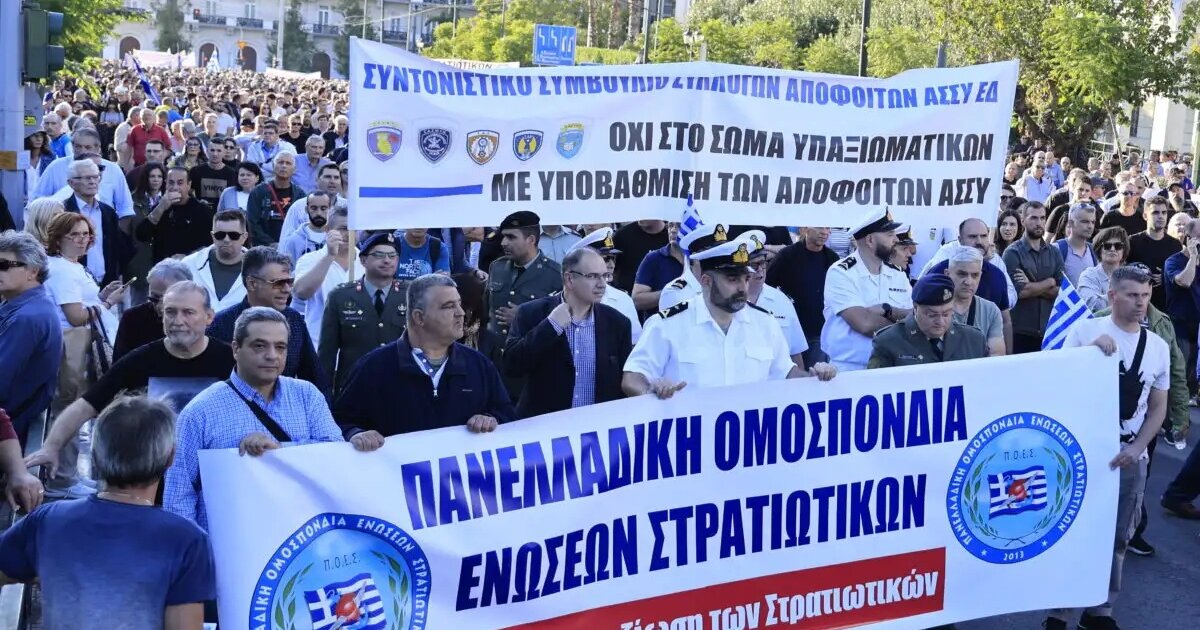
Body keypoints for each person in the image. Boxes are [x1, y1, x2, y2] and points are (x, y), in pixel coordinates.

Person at [0, 397, 215, 629]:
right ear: (170, 457)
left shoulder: (47, 520)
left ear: (95, 453)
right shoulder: (187, 540)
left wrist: (54, 572)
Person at [1044, 266, 1169, 630]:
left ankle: (1100, 611)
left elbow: (1157, 407)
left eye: (1145, 296)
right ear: (1113, 296)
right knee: (1073, 533)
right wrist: (1087, 354)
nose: (1140, 303)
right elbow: (1055, 382)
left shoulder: (1158, 347)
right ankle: (1059, 612)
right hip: (1082, 452)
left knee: (1118, 536)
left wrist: (1138, 448)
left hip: (1129, 455)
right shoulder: (1085, 331)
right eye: (1132, 295)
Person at [26, 281, 234, 476]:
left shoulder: (230, 361)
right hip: (155, 472)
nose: (178, 321)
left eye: (188, 312)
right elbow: (86, 405)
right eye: (170, 312)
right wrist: (51, 447)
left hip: (214, 468)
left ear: (209, 316)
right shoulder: (142, 359)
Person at [165, 307, 343, 529]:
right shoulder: (200, 412)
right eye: (260, 346)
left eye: (280, 347)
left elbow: (335, 456)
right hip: (230, 541)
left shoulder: (307, 396)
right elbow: (178, 494)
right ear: (235, 349)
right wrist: (197, 546)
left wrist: (280, 450)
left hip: (300, 537)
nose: (272, 355)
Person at [622, 234, 836, 398]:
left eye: (745, 279)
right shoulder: (668, 324)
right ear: (706, 281)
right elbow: (632, 377)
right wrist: (651, 390)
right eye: (732, 279)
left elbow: (786, 373)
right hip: (689, 437)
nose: (742, 287)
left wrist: (815, 377)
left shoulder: (765, 323)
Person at [334, 274, 516, 449]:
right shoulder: (373, 367)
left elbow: (507, 415)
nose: (461, 313)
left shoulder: (479, 365)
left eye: (459, 304)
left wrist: (492, 419)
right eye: (449, 306)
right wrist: (356, 434)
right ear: (419, 317)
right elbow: (340, 422)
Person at [504, 248, 633, 418]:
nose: (602, 284)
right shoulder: (531, 313)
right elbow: (511, 366)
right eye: (593, 276)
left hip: (596, 428)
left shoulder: (618, 323)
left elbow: (625, 381)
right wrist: (550, 326)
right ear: (569, 279)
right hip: (545, 427)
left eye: (605, 276)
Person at [207, 247, 325, 388]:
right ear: (252, 283)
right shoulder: (220, 325)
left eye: (289, 282)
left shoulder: (295, 320)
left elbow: (314, 377)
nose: (287, 289)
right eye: (278, 283)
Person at [820, 208, 915, 371]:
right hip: (851, 369)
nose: (896, 239)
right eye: (889, 234)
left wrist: (887, 310)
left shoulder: (898, 274)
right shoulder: (841, 272)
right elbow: (864, 324)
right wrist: (901, 323)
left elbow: (915, 318)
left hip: (892, 367)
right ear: (870, 240)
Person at [319, 232, 407, 394]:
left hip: (399, 386)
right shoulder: (340, 296)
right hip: (354, 387)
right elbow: (327, 353)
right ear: (363, 260)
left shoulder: (411, 294)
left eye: (392, 255)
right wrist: (324, 394)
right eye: (379, 255)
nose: (387, 260)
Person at [484, 211, 563, 389]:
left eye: (511, 237)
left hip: (531, 367)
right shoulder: (497, 267)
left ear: (531, 239)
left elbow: (563, 324)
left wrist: (523, 318)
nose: (504, 243)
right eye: (503, 237)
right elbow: (485, 312)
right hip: (495, 365)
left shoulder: (555, 274)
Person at [0, 231, 63, 444]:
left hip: (12, 430)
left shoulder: (27, 318)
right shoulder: (28, 305)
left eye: (4, 265)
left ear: (33, 271)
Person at [867, 273, 989, 368]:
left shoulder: (974, 340)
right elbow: (877, 386)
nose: (940, 322)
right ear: (915, 307)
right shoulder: (888, 342)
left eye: (946, 314)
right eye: (932, 315)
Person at [766, 226, 840, 358]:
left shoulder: (832, 258)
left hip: (820, 331)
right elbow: (767, 286)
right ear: (805, 229)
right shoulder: (787, 255)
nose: (824, 232)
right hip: (791, 330)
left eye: (827, 228)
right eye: (819, 227)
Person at [1002, 201, 1065, 353]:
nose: (1039, 223)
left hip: (1050, 330)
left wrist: (1032, 285)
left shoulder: (1054, 252)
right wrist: (1049, 282)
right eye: (1034, 218)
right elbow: (1020, 292)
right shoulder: (1012, 253)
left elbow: (1062, 291)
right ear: (1023, 220)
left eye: (1042, 218)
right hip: (1021, 332)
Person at [61, 157, 130, 286]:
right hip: (74, 283)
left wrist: (116, 276)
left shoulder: (108, 212)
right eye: (87, 178)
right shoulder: (63, 211)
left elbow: (117, 248)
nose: (93, 182)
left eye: (96, 177)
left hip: (106, 283)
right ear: (71, 183)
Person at [566, 227, 641, 342]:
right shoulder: (565, 297)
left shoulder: (622, 299)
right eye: (605, 259)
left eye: (613, 259)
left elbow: (634, 341)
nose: (611, 265)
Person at [293, 205, 352, 347]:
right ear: (327, 230)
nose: (349, 234)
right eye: (343, 228)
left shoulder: (366, 261)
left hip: (356, 348)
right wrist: (330, 256)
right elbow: (301, 293)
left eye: (353, 228)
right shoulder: (309, 259)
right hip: (318, 344)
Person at [113, 258, 193, 361]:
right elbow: (119, 365)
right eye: (154, 298)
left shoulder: (199, 318)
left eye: (167, 299)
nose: (160, 306)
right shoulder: (132, 319)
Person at [134, 167, 215, 263]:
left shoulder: (202, 210)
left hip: (191, 266)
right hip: (163, 266)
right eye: (171, 183)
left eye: (180, 183)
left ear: (189, 185)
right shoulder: (160, 207)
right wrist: (161, 207)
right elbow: (142, 235)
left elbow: (211, 244)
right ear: (166, 184)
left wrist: (188, 256)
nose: (175, 187)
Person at [941, 246, 1006, 356]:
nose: (968, 282)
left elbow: (996, 355)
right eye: (962, 274)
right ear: (947, 274)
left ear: (980, 276)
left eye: (975, 275)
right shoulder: (933, 308)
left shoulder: (991, 311)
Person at [182, 210, 248, 312]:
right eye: (220, 235)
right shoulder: (189, 264)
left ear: (244, 237)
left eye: (233, 235)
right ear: (213, 236)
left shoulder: (259, 268)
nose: (226, 240)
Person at [1165, 218, 1200, 407]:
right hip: (1181, 326)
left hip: (1198, 327)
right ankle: (1176, 411)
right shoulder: (1173, 261)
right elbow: (1184, 281)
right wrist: (1193, 257)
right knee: (1181, 372)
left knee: (1194, 373)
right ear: (1187, 238)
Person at [1126, 196, 1182, 312]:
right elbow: (1122, 272)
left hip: (1166, 308)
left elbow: (1181, 277)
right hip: (1136, 305)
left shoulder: (1175, 245)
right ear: (1145, 216)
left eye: (1164, 212)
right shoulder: (1132, 242)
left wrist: (1166, 278)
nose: (1161, 216)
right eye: (1155, 212)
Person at [246, 151, 302, 247]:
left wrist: (289, 243)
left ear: (294, 169)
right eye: (280, 162)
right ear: (273, 166)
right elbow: (252, 222)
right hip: (263, 247)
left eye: (288, 163)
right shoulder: (258, 192)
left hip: (290, 246)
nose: (284, 166)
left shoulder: (300, 194)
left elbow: (302, 224)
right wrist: (270, 243)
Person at [279, 163, 345, 240]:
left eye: (336, 177)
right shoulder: (298, 207)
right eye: (327, 177)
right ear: (317, 180)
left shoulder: (347, 206)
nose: (332, 181)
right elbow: (286, 240)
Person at [631, 221, 685, 313]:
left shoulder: (700, 259)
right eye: (670, 225)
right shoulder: (653, 258)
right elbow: (637, 300)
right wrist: (672, 292)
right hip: (662, 320)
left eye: (679, 226)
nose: (673, 230)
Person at [612, 219, 669, 293]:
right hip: (627, 295)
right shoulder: (622, 235)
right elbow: (610, 268)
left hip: (666, 296)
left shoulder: (672, 237)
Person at [279, 190, 334, 264]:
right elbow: (289, 268)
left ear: (330, 209)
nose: (319, 213)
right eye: (314, 208)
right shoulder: (294, 241)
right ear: (306, 209)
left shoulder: (336, 238)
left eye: (323, 208)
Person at [1052, 204, 1098, 286]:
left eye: (1093, 222)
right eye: (1085, 221)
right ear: (1071, 223)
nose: (1090, 226)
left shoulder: (1094, 251)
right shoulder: (1056, 249)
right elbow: (1048, 286)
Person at [189, 135, 237, 208]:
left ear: (224, 152)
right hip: (200, 212)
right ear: (207, 151)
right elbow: (187, 193)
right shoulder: (195, 171)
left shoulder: (232, 174)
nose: (215, 154)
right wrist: (197, 202)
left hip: (223, 213)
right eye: (212, 150)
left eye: (219, 151)